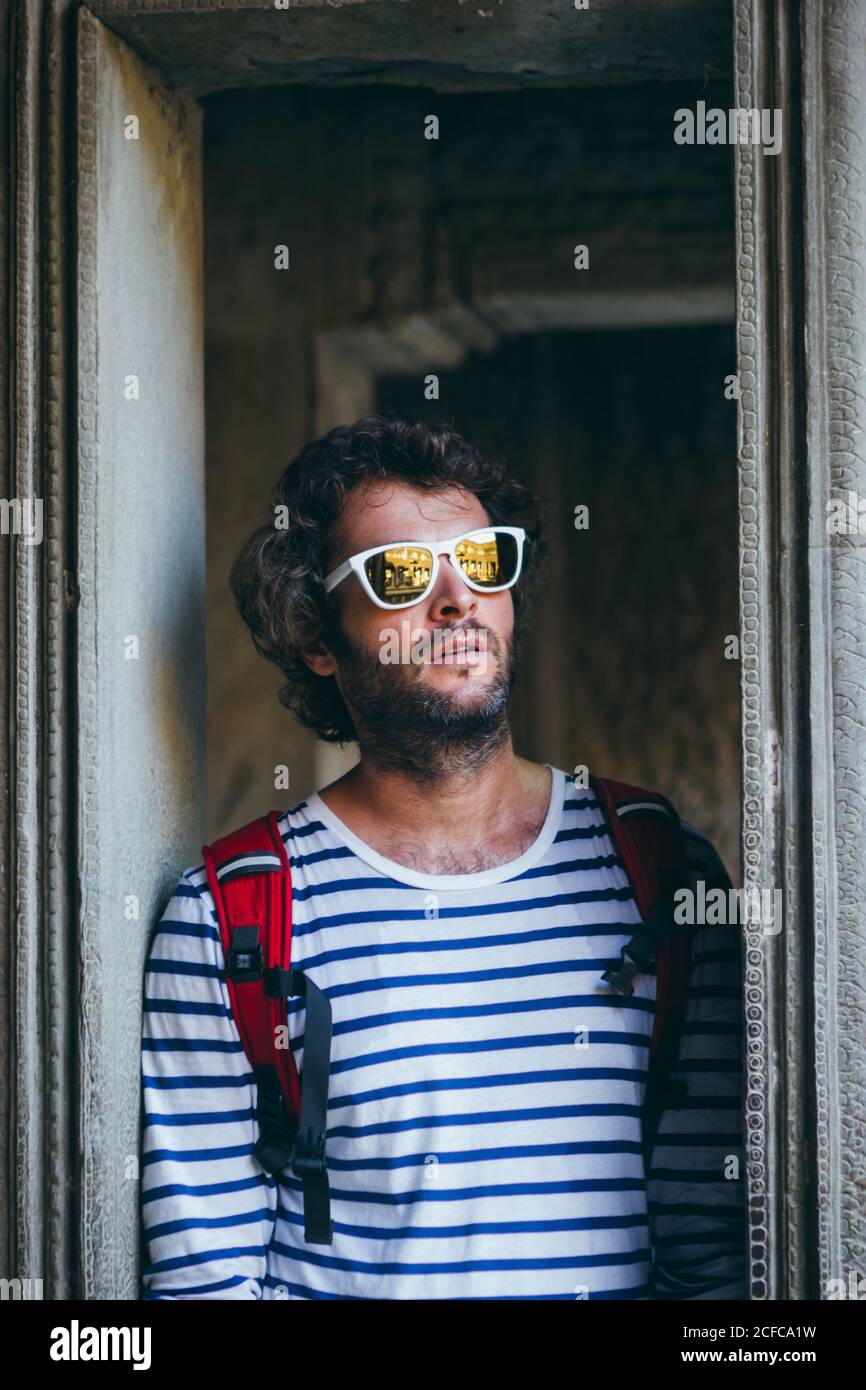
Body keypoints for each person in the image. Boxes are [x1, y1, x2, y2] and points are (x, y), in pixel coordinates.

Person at [141, 414, 745, 1300]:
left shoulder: (661, 873)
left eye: (484, 559)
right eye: (401, 574)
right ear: (317, 637)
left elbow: (715, 1268)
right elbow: (207, 1286)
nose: (456, 598)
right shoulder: (229, 919)